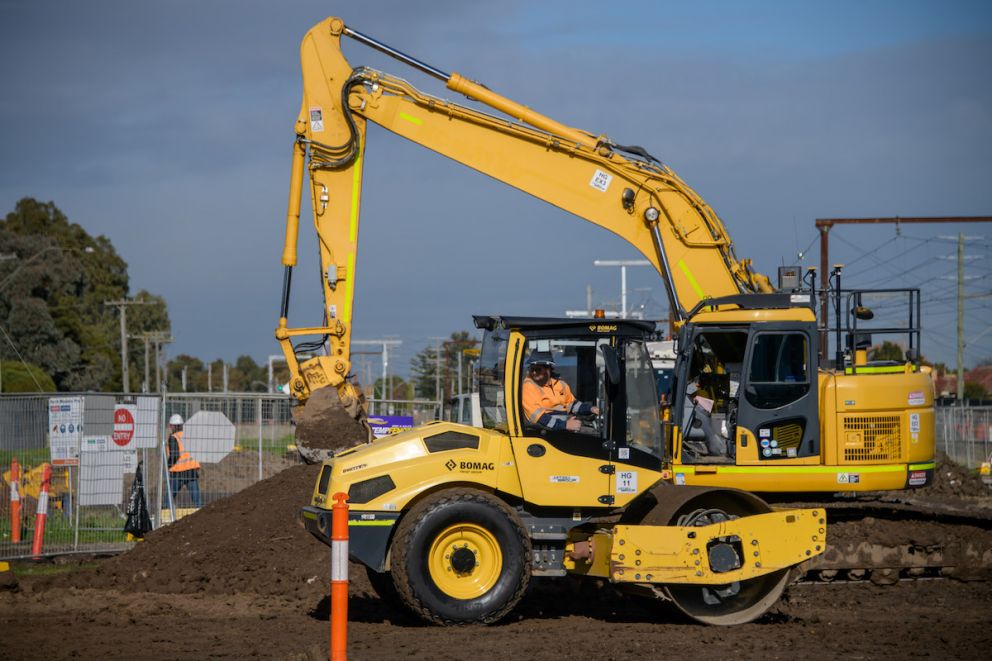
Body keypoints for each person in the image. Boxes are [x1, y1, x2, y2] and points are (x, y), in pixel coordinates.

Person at [521, 352, 599, 432]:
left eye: (538, 369)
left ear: (548, 369)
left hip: (560, 431)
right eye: (531, 369)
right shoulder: (529, 386)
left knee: (593, 432)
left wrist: (591, 409)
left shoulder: (560, 384)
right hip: (543, 434)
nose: (533, 372)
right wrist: (565, 425)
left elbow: (571, 404)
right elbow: (537, 417)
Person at [167, 413, 202, 508]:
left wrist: (168, 465)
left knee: (169, 498)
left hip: (178, 472)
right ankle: (201, 515)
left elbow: (174, 455)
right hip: (191, 472)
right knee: (197, 500)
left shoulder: (173, 438)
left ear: (172, 426)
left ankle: (164, 514)